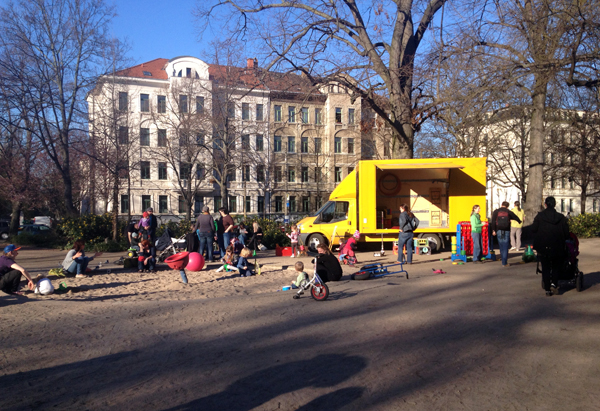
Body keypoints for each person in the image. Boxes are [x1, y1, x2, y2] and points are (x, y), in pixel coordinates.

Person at [531, 196, 570, 296]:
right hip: (557, 245)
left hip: (543, 246)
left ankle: (547, 288)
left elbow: (534, 229)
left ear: (545, 204)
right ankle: (554, 283)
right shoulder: (561, 217)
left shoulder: (540, 216)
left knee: (546, 267)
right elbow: (566, 233)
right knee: (556, 266)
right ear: (555, 204)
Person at [491, 201, 522, 267]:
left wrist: (493, 230)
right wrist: (519, 221)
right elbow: (515, 217)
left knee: (501, 245)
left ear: (502, 205)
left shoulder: (496, 211)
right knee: (505, 246)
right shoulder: (508, 211)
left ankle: (503, 259)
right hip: (507, 230)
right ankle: (504, 262)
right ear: (507, 206)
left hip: (498, 230)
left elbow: (493, 221)